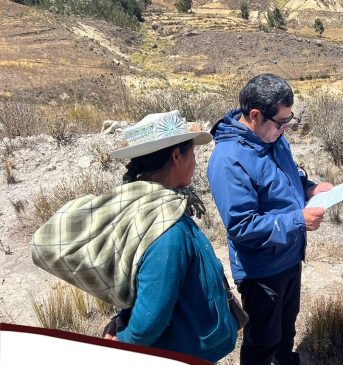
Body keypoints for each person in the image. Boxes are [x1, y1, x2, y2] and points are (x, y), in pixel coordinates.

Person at [32, 110, 238, 363]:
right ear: (176, 156)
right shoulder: (167, 228)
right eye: (192, 153)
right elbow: (150, 319)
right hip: (183, 348)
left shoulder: (143, 207)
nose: (194, 162)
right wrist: (125, 344)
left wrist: (122, 319)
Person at [207, 74, 332, 365]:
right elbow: (242, 226)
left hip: (289, 256)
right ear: (254, 115)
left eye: (289, 121)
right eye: (281, 122)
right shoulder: (228, 159)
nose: (285, 128)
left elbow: (288, 177)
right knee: (263, 340)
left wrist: (310, 188)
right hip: (262, 270)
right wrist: (298, 221)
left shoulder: (274, 137)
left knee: (286, 328)